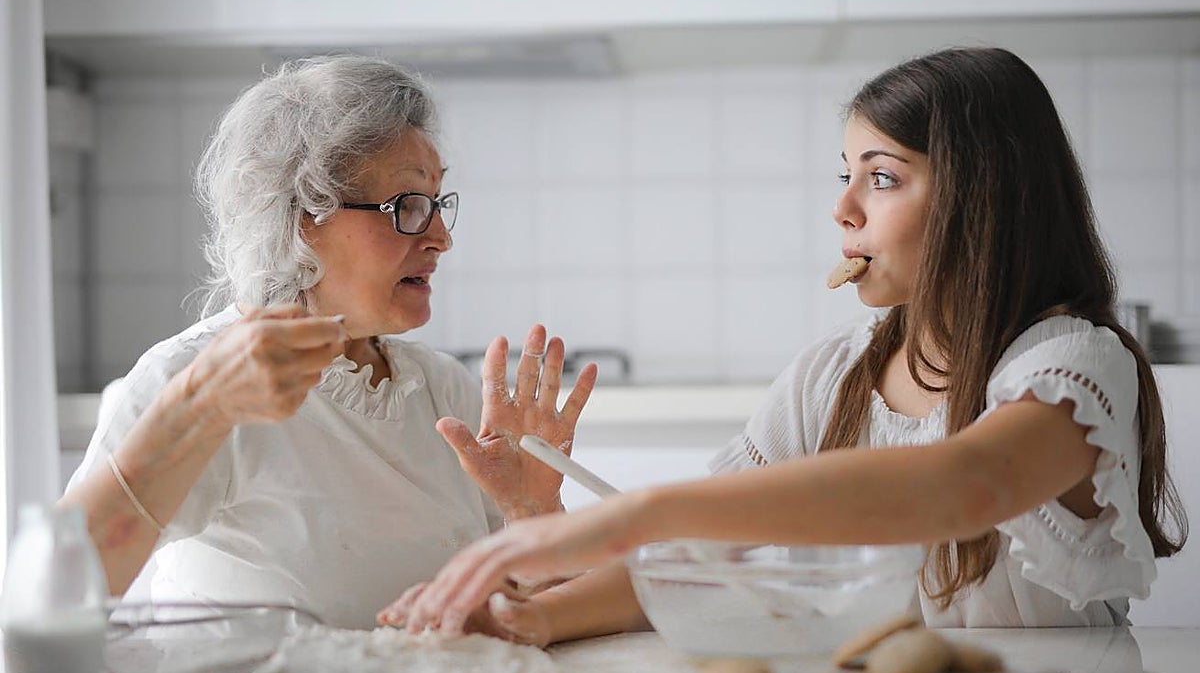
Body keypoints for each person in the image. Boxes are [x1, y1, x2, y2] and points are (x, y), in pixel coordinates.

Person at [385, 47, 1188, 640]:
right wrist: (534, 616)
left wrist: (642, 509)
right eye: (844, 173)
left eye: (881, 176)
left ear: (983, 197)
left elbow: (968, 484)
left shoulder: (1073, 365)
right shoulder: (830, 378)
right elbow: (704, 558)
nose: (842, 208)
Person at [61, 56, 595, 629]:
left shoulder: (442, 389)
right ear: (299, 217)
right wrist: (197, 408)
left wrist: (532, 512)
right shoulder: (191, 376)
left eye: (438, 205)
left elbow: (529, 617)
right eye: (407, 206)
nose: (440, 237)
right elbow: (61, 588)